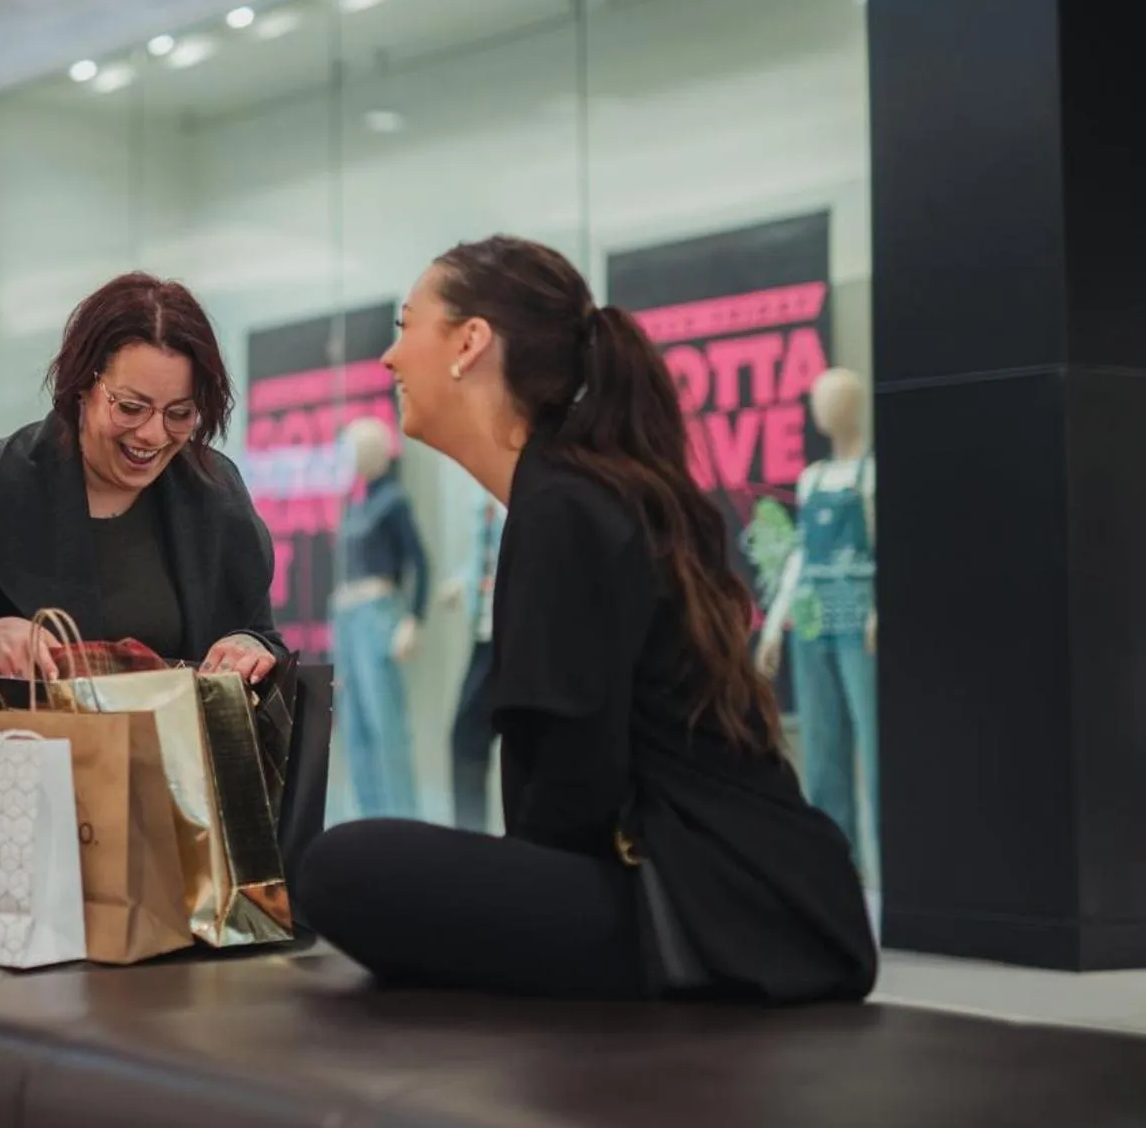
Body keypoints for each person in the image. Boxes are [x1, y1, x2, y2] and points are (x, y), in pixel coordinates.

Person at [297, 237, 876, 1005]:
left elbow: (573, 786)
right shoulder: (569, 496)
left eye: (407, 325)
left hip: (714, 906)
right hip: (748, 896)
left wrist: (518, 914)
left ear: (470, 343)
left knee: (340, 866)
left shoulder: (563, 509)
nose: (389, 358)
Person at [0, 272, 285, 724]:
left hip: (172, 789)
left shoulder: (215, 495)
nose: (152, 434)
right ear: (82, 387)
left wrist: (251, 650)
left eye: (180, 414)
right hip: (18, 786)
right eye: (130, 407)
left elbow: (260, 637)